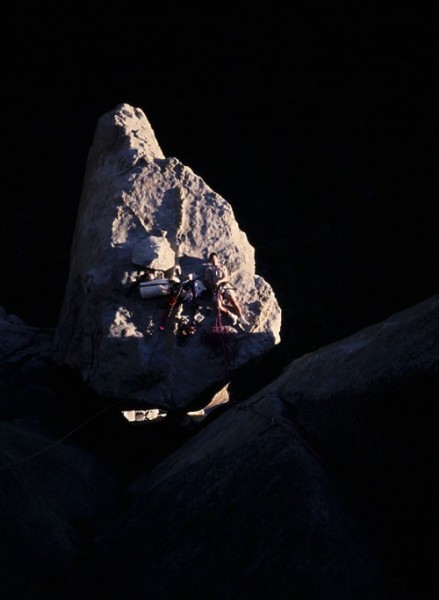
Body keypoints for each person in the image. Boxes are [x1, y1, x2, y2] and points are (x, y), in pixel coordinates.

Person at [204, 252, 249, 327]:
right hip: (216, 290)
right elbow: (208, 281)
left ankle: (242, 318)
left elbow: (227, 277)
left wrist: (220, 281)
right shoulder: (209, 270)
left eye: (215, 258)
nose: (214, 260)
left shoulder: (222, 267)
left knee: (233, 301)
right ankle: (232, 316)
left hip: (225, 286)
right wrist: (213, 287)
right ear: (210, 261)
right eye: (212, 259)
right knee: (219, 306)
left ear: (217, 259)